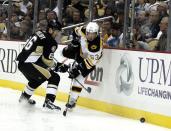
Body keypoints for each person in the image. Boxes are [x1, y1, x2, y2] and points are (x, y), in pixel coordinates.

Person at [17, 19, 68, 111]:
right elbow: (47, 61)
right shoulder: (51, 41)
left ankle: (24, 99)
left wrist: (55, 65)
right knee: (54, 77)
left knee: (36, 80)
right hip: (30, 64)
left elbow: (38, 52)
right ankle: (48, 103)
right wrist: (58, 66)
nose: (58, 33)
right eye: (57, 31)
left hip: (21, 63)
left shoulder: (39, 33)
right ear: (51, 30)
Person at [62, 22, 103, 109]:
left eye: (93, 34)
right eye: (88, 34)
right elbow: (75, 30)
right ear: (86, 31)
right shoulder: (83, 30)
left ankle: (73, 100)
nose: (90, 36)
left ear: (96, 33)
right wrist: (74, 39)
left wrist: (78, 69)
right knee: (64, 52)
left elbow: (92, 62)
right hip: (81, 53)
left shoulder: (96, 45)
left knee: (79, 79)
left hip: (90, 60)